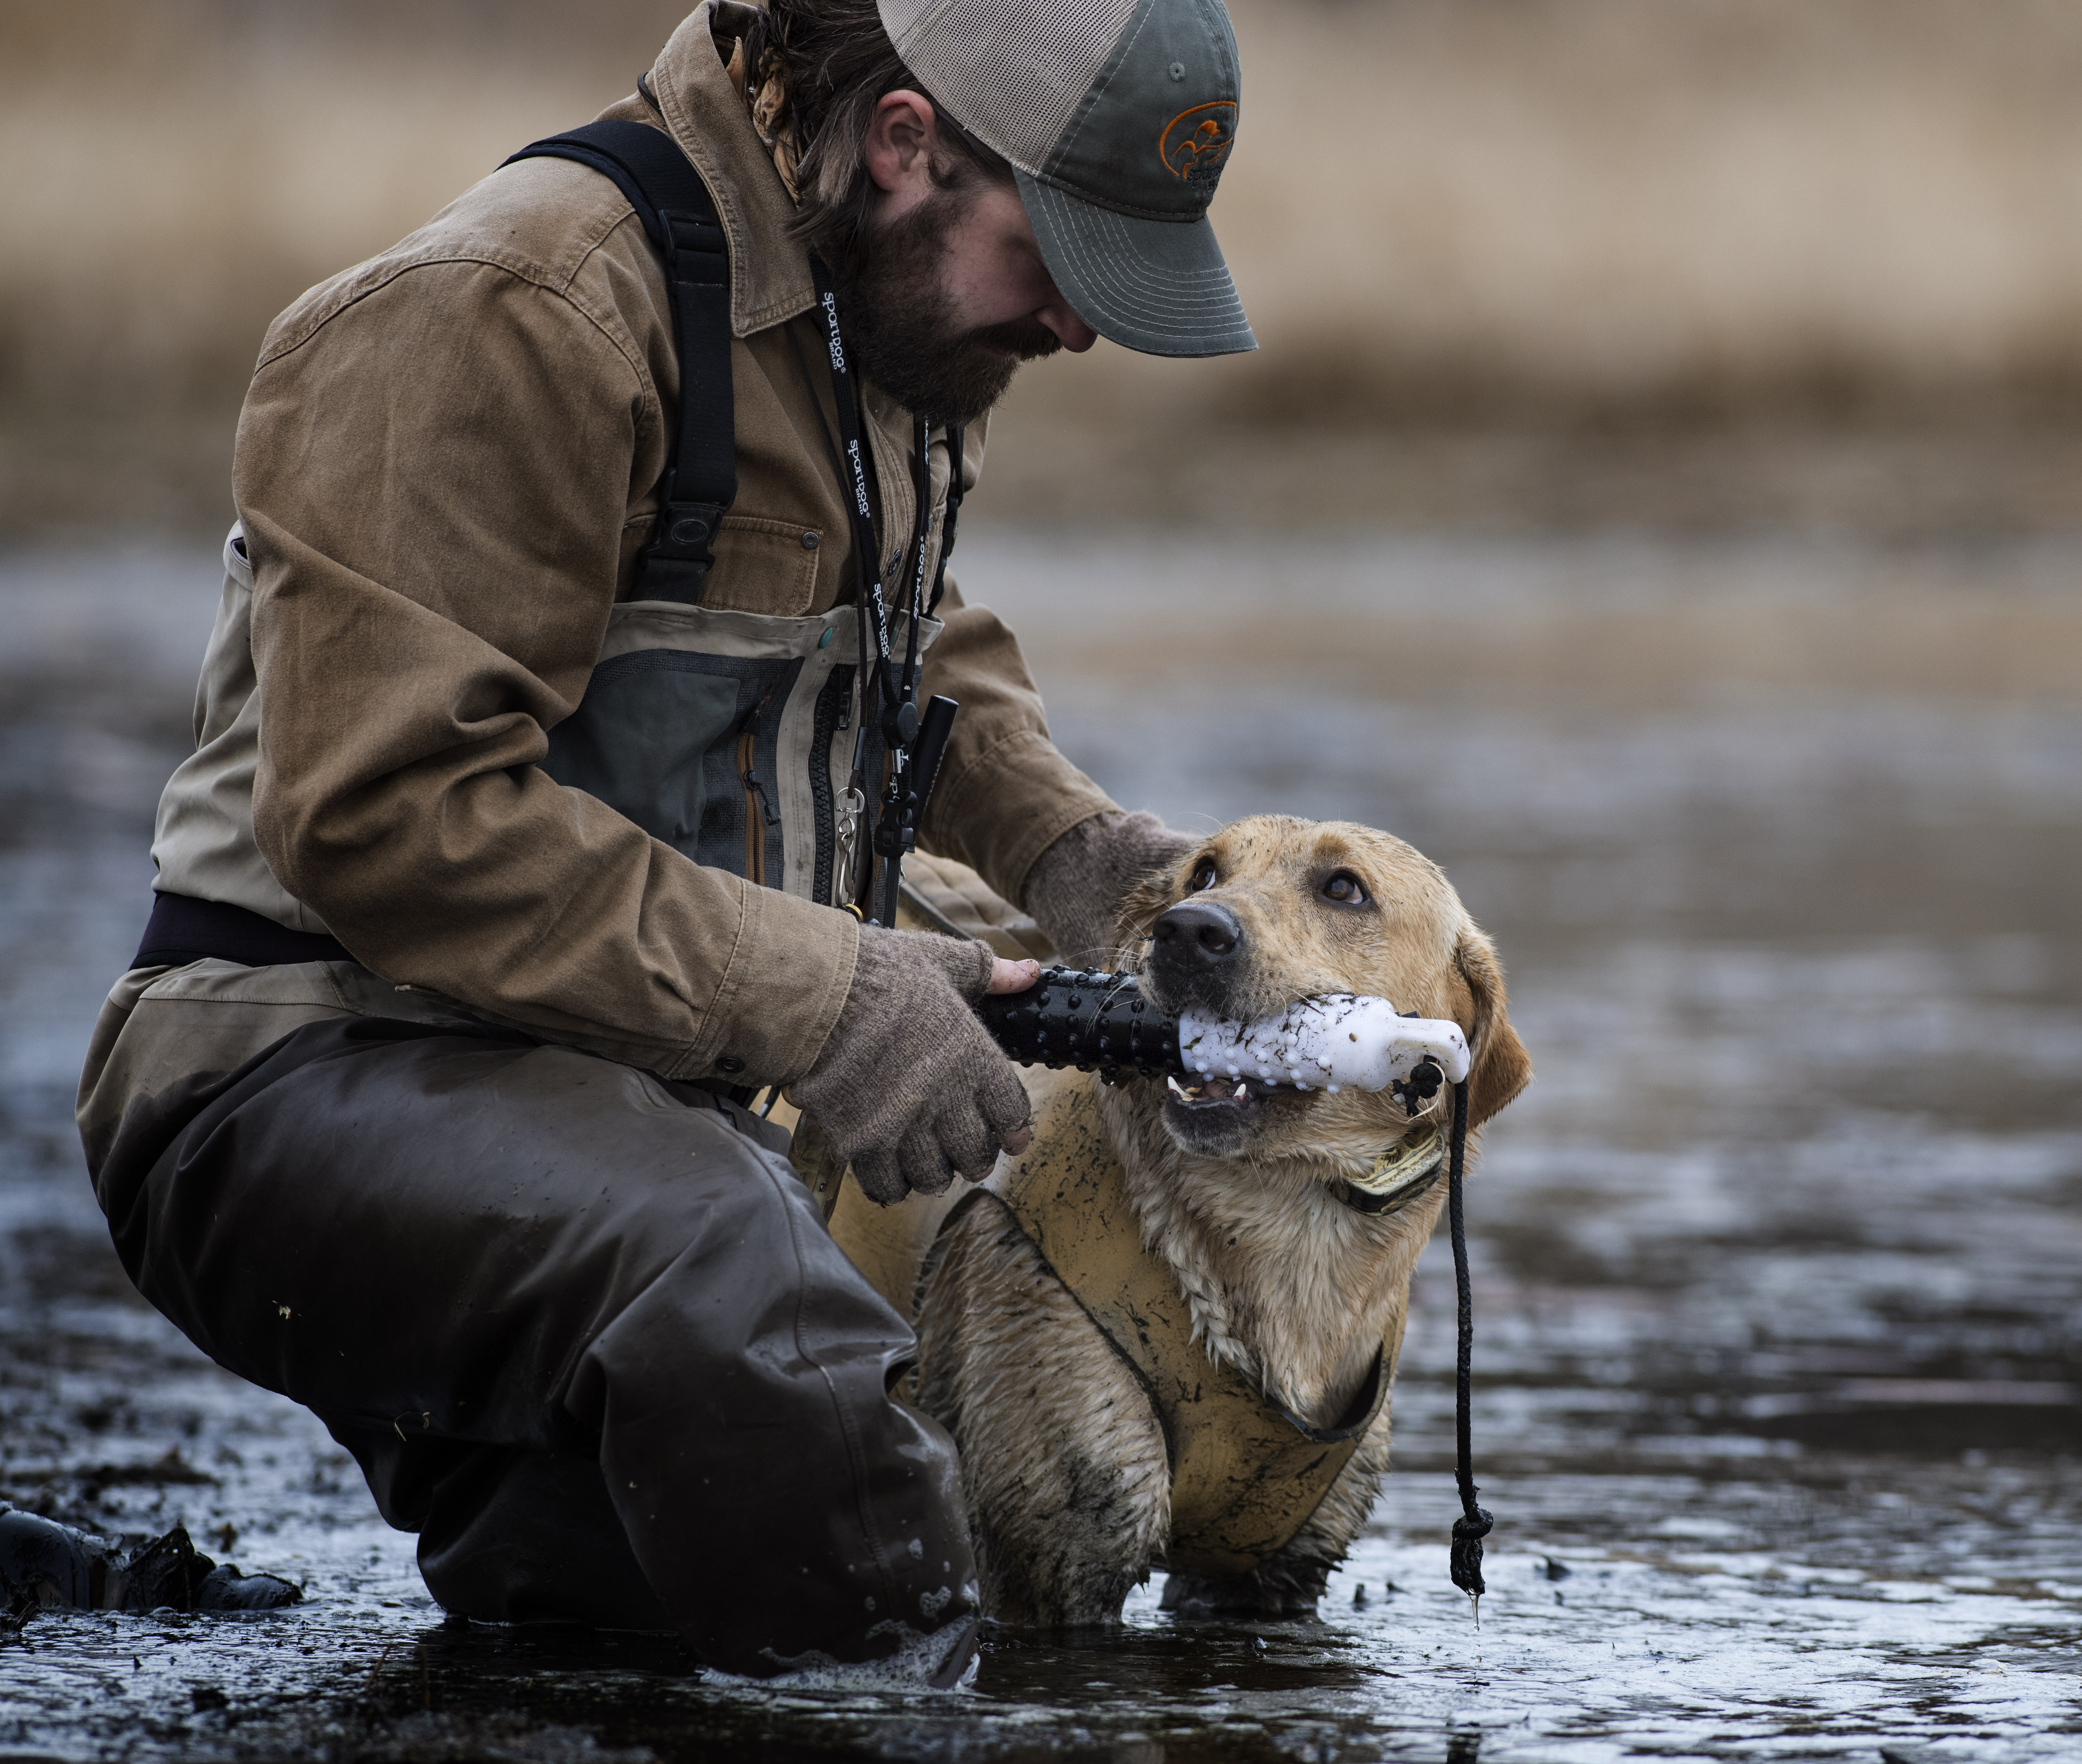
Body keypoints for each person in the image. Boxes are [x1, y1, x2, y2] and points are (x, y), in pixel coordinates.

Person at [72, 0, 1254, 1681]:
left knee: (630, 1629)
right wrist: (835, 997)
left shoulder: (888, 316)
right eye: (1055, 256)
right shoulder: (517, 308)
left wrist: (1094, 863)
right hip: (284, 1070)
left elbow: (908, 637)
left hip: (608, 1095)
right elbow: (391, 820)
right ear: (908, 144)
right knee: (756, 1301)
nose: (1078, 324)